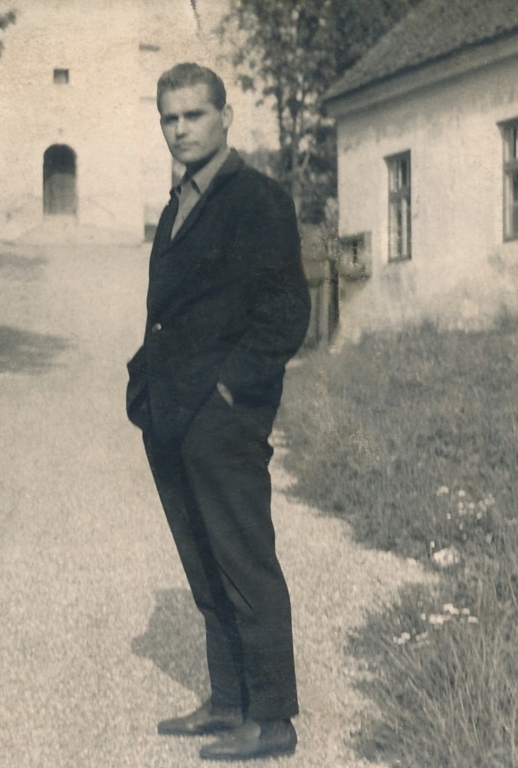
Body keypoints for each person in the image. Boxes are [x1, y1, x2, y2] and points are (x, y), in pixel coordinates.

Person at [126, 62, 311, 761]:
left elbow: (287, 311)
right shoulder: (180, 202)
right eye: (169, 118)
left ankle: (272, 719)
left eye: (193, 115)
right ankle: (228, 700)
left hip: (221, 415)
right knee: (202, 560)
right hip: (170, 413)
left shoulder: (255, 199)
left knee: (243, 559)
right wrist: (148, 389)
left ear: (225, 117)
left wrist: (232, 392)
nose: (180, 129)